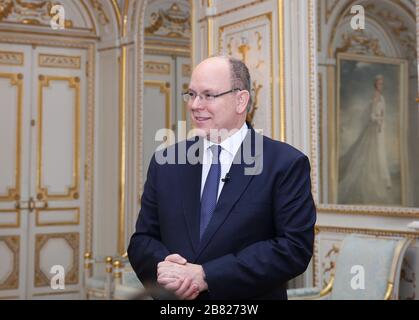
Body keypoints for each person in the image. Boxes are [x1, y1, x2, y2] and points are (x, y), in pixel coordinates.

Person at [128, 56, 316, 300]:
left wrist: (207, 275)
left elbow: (293, 249)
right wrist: (165, 268)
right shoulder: (166, 162)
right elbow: (142, 241)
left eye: (208, 95)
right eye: (192, 94)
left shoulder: (285, 164)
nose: (195, 104)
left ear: (241, 100)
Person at [338, 74, 392, 205]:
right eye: (379, 83)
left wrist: (381, 122)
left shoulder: (382, 98)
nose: (381, 86)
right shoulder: (374, 97)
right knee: (371, 153)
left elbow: (383, 113)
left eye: (382, 84)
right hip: (373, 129)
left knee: (380, 153)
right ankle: (373, 179)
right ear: (375, 85)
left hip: (379, 130)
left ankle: (384, 179)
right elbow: (371, 115)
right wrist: (377, 121)